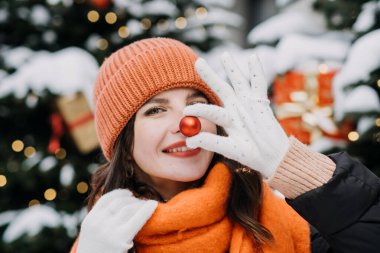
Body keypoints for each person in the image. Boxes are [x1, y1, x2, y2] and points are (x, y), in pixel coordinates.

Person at [70, 38, 380, 253]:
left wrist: (295, 168)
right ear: (123, 140)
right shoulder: (104, 237)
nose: (186, 122)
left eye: (197, 103)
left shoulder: (279, 220)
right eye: (156, 110)